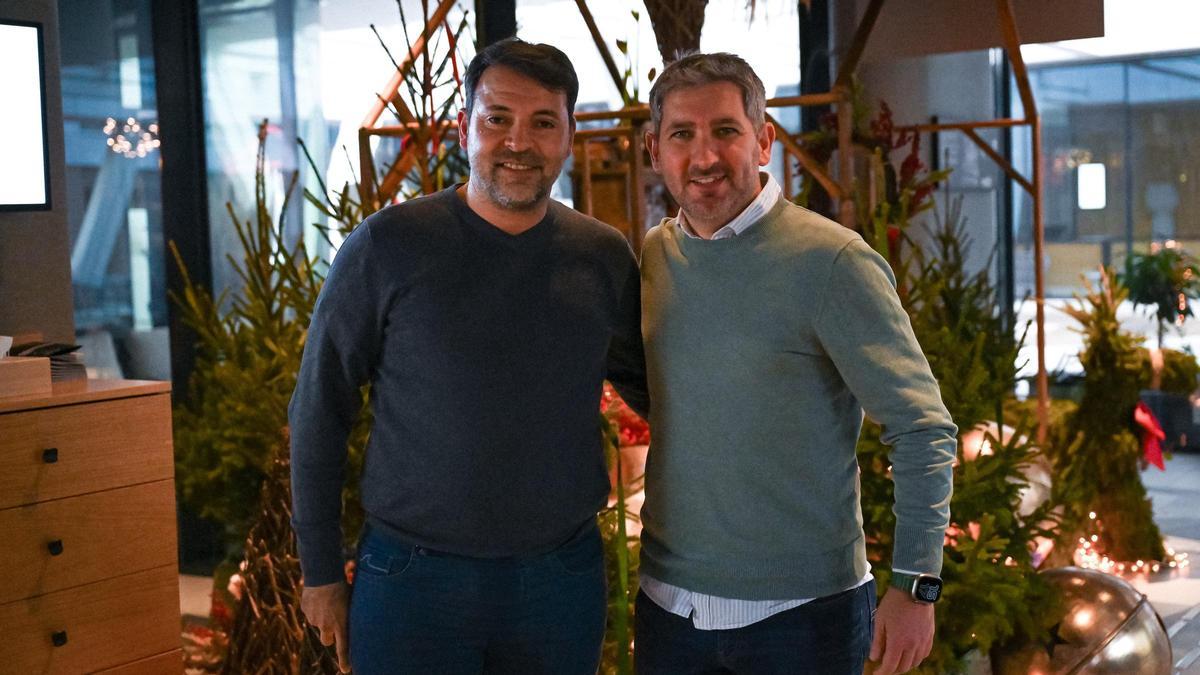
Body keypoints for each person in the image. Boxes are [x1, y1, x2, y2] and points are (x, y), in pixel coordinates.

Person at [288, 37, 647, 675]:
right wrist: (319, 571)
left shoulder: (603, 258)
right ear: (464, 129)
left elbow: (657, 390)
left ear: (568, 137)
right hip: (411, 581)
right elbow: (320, 408)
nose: (519, 142)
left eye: (543, 123)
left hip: (559, 582)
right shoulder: (387, 246)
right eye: (497, 119)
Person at [636, 52, 957, 675]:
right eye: (682, 135)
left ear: (763, 139)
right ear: (655, 149)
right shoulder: (654, 256)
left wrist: (917, 584)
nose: (704, 157)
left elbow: (922, 429)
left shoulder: (832, 261)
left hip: (801, 619)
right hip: (667, 609)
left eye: (725, 130)